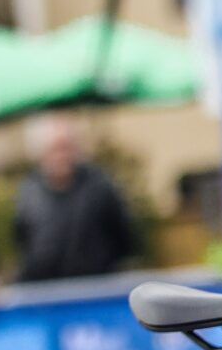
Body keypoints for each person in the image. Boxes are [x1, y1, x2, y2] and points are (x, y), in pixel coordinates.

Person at [11, 115, 138, 281]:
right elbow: (22, 241)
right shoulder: (28, 192)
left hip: (96, 285)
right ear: (41, 153)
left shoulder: (99, 186)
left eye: (66, 147)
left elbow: (123, 237)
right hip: (45, 288)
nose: (62, 155)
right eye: (55, 148)